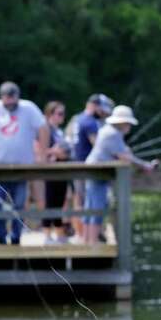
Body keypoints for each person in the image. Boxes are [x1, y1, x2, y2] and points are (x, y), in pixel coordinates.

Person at [0, 81, 48, 245]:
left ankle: (15, 237)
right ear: (2, 98)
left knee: (20, 204)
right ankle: (1, 236)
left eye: (13, 102)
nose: (10, 105)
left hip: (22, 168)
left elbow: (43, 129)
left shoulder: (29, 108)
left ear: (17, 97)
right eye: (7, 102)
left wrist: (43, 153)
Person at [83, 105, 158, 245]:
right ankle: (92, 242)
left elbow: (123, 152)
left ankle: (87, 239)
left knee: (91, 206)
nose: (129, 126)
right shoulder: (113, 134)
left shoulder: (107, 130)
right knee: (98, 206)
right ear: (122, 122)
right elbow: (124, 156)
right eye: (128, 123)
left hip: (93, 172)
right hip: (97, 173)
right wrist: (145, 165)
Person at [70, 94, 114, 240]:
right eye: (102, 110)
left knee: (79, 200)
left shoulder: (77, 119)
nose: (103, 113)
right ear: (94, 106)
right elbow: (98, 146)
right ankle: (88, 236)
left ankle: (80, 234)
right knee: (91, 202)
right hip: (87, 168)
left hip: (76, 165)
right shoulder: (90, 122)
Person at [40, 101, 71, 242]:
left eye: (63, 113)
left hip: (62, 169)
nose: (62, 116)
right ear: (49, 114)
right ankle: (46, 234)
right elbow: (39, 149)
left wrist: (62, 153)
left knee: (60, 201)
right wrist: (55, 152)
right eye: (59, 113)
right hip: (49, 170)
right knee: (50, 201)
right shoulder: (44, 129)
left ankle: (59, 234)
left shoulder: (59, 131)